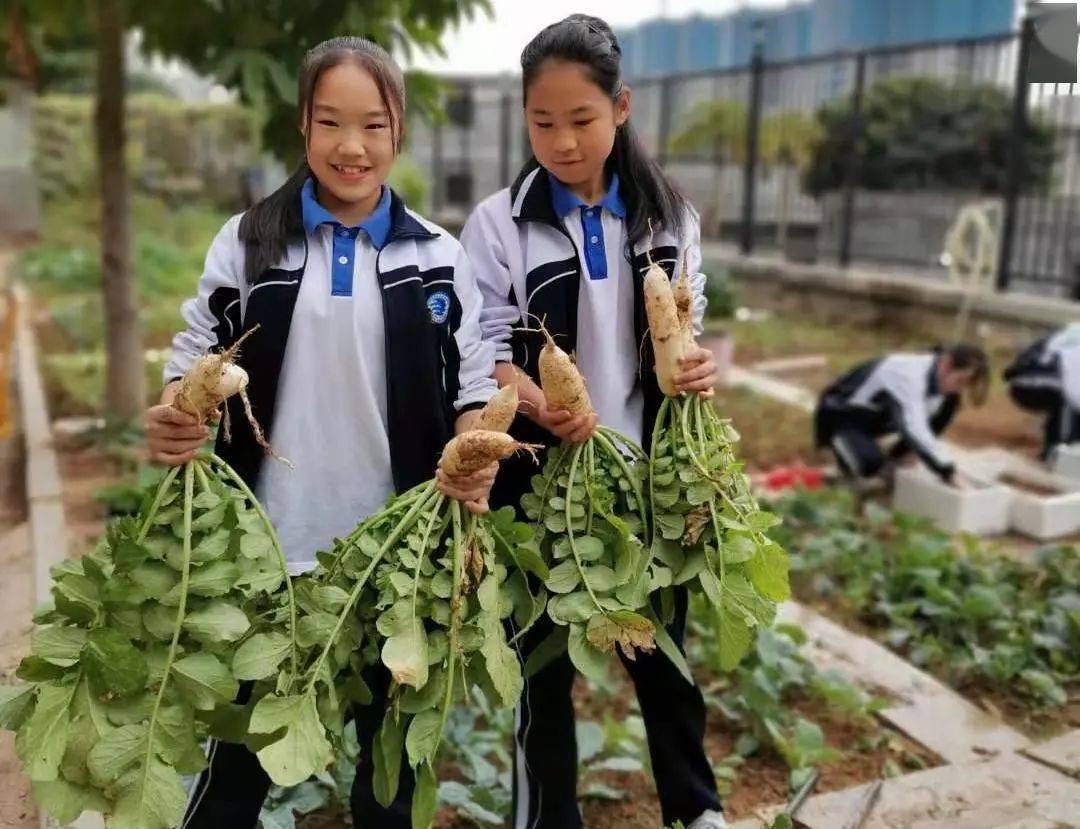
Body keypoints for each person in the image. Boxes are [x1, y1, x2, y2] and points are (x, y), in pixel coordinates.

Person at [145, 36, 498, 829]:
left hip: (394, 565)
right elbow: (192, 359)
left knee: (388, 783)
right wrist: (173, 413)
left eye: (373, 125)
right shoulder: (246, 243)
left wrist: (475, 447)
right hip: (268, 556)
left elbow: (473, 385)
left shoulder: (438, 257)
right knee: (237, 769)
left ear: (398, 129)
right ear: (302, 123)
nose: (352, 146)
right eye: (331, 121)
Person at [460, 15, 726, 829]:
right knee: (541, 668)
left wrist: (698, 367)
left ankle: (697, 807)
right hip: (540, 484)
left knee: (665, 658)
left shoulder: (669, 218)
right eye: (543, 123)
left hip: (642, 473)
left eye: (581, 119)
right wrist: (537, 404)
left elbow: (687, 327)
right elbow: (482, 345)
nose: (563, 141)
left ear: (621, 107)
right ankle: (546, 818)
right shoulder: (499, 223)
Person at [814, 345, 989, 486]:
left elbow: (930, 428)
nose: (960, 389)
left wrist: (900, 455)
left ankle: (889, 455)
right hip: (842, 415)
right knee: (869, 465)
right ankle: (837, 444)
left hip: (876, 418)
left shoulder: (941, 384)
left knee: (948, 406)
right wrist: (948, 471)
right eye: (960, 381)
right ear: (946, 364)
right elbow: (915, 427)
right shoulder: (907, 374)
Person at [1004, 324, 1080, 460]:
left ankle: (1057, 449)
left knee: (1068, 401)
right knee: (1071, 401)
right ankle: (1060, 455)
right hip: (1033, 380)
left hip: (1029, 378)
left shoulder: (1072, 331)